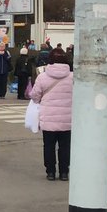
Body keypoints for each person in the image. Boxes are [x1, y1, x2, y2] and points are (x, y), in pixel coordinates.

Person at [30, 48, 74, 181]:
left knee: (48, 145)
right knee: (65, 146)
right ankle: (64, 172)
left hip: (48, 117)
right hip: (67, 117)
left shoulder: (42, 77)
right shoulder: (73, 77)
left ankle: (50, 172)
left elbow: (34, 96)